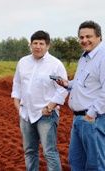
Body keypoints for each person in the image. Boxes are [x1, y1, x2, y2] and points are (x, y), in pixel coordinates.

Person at [56, 21, 105, 170]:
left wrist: (92, 113)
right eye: (81, 37)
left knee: (95, 165)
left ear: (99, 37)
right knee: (76, 161)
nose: (84, 40)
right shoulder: (85, 56)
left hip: (94, 119)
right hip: (79, 118)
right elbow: (85, 82)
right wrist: (68, 84)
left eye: (89, 36)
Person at [11, 30, 68, 171]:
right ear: (30, 45)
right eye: (35, 43)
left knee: (49, 152)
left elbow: (63, 88)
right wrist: (17, 105)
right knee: (30, 151)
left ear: (47, 46)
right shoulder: (23, 62)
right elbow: (17, 84)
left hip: (46, 115)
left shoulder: (55, 64)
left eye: (41, 43)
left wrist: (49, 107)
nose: (37, 46)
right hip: (26, 114)